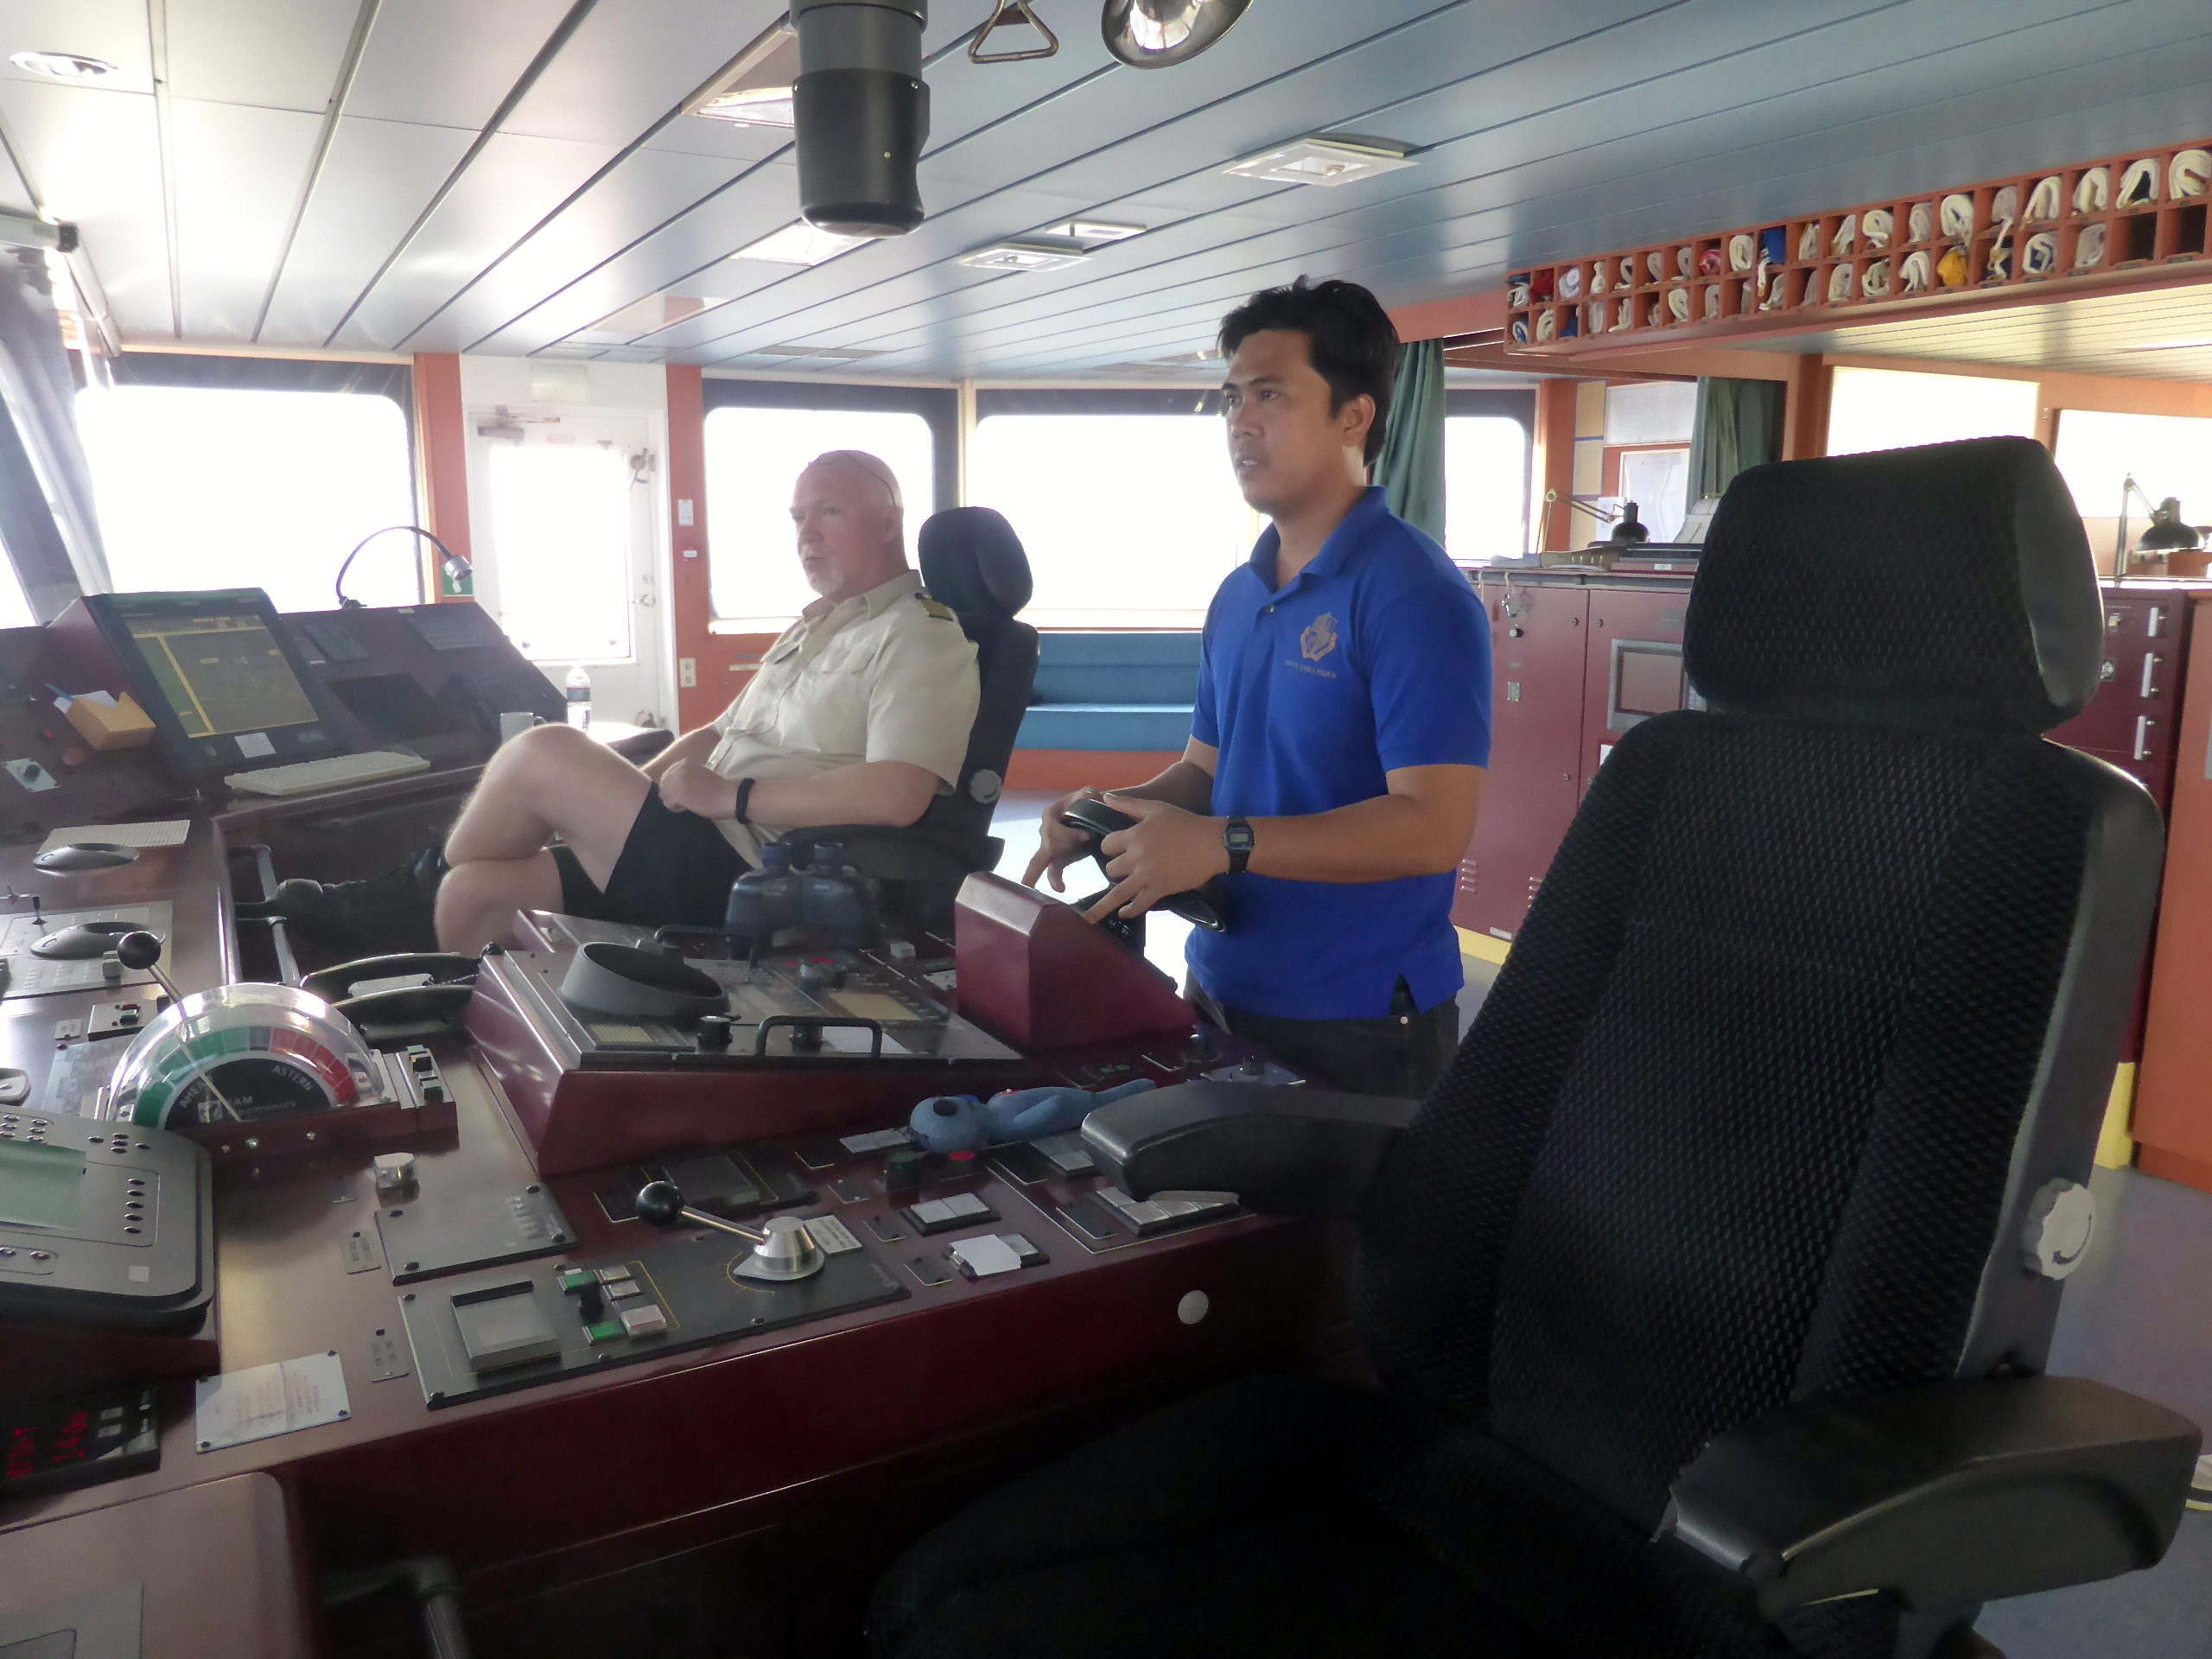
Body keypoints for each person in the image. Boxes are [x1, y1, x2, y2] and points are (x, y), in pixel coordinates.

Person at [1025, 278, 1491, 1098]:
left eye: (1271, 395)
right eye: (1233, 398)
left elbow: (1433, 828)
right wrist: (1114, 811)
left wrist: (1224, 844)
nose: (1241, 422)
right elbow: (1205, 772)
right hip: (1221, 983)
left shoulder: (1413, 593)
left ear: (1354, 416)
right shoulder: (1239, 596)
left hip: (1357, 1015)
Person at [280, 450, 979, 957]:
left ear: (887, 523)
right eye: (798, 517)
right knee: (474, 893)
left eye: (829, 512)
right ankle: (488, 1052)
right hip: (693, 837)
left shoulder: (921, 635)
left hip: (758, 866)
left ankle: (386, 907)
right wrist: (618, 804)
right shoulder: (816, 627)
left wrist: (732, 796)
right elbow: (718, 733)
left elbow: (898, 794)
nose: (806, 535)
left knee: (544, 751)